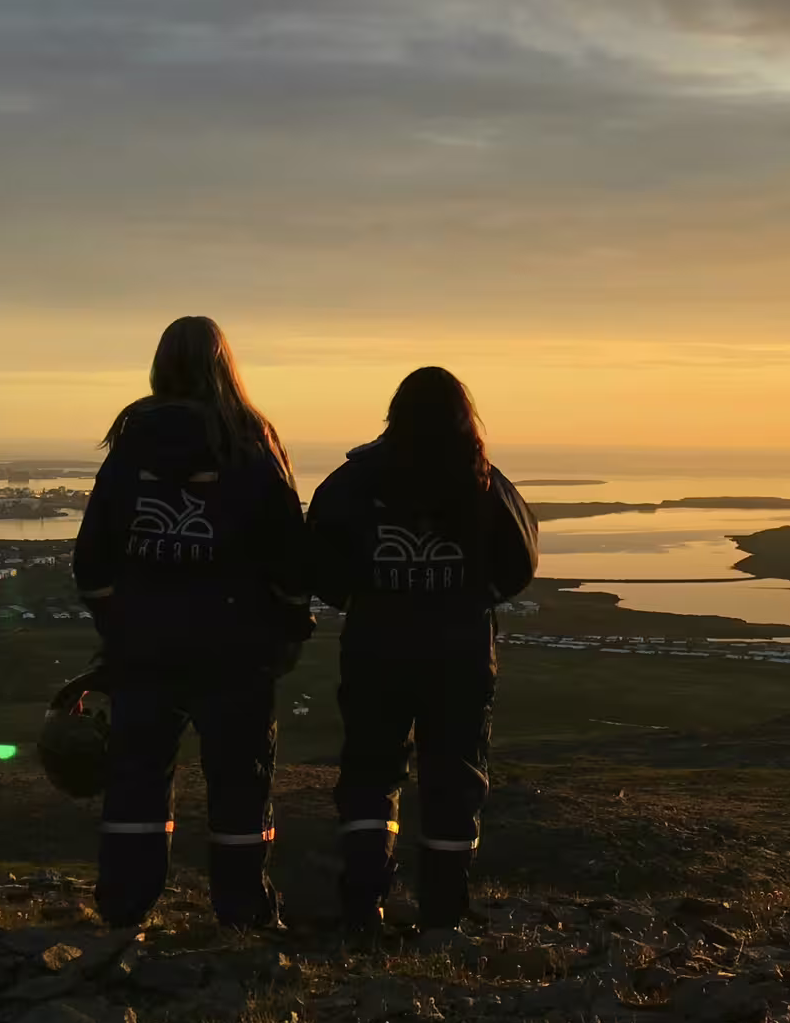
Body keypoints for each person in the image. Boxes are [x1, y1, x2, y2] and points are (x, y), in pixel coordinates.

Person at [73, 316, 312, 931]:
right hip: (237, 650)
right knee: (240, 780)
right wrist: (288, 626)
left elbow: (92, 557)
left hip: (144, 648)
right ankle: (243, 910)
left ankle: (126, 909)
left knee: (137, 777)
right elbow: (289, 550)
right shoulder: (252, 444)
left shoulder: (130, 446)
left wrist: (117, 623)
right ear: (224, 366)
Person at [307, 367, 538, 940]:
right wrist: (471, 598)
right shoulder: (484, 481)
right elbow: (521, 559)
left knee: (369, 774)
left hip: (376, 648)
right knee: (455, 775)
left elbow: (315, 556)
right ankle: (444, 911)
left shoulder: (355, 480)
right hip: (459, 652)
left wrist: (364, 598)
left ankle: (363, 906)